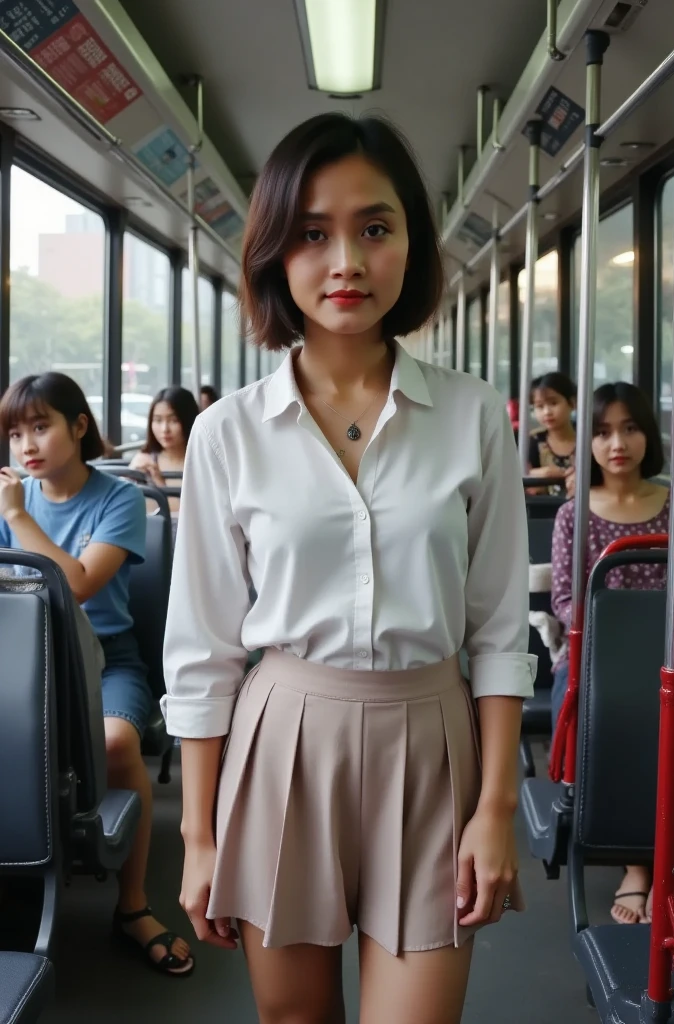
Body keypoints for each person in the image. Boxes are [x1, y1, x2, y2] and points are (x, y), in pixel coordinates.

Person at [163, 112, 536, 1023]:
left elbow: (495, 633)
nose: (347, 262)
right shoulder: (228, 433)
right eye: (314, 234)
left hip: (432, 740)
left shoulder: (474, 415)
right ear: (274, 256)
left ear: (410, 240)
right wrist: (199, 833)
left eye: (375, 228)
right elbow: (203, 650)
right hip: (283, 737)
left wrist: (497, 806)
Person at [0, 372, 194, 977]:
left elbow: (79, 585)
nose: (26, 445)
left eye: (40, 426)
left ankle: (132, 905)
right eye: (14, 434)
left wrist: (17, 518)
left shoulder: (115, 499)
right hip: (18, 660)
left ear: (78, 427)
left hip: (106, 658)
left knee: (114, 743)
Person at [550, 381, 669, 926]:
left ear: (648, 433)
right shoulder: (574, 515)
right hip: (598, 658)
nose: (617, 443)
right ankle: (638, 864)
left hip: (671, 655)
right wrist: (620, 635)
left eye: (629, 428)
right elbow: (564, 599)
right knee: (614, 720)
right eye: (602, 432)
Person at [130, 386, 199, 515]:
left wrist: (159, 483)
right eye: (157, 420)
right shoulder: (144, 461)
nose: (164, 429)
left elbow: (189, 516)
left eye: (173, 420)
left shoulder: (201, 462)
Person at [527, 372, 577, 495]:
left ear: (572, 403)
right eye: (539, 406)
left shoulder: (589, 437)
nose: (547, 412)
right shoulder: (532, 440)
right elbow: (518, 477)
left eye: (553, 403)